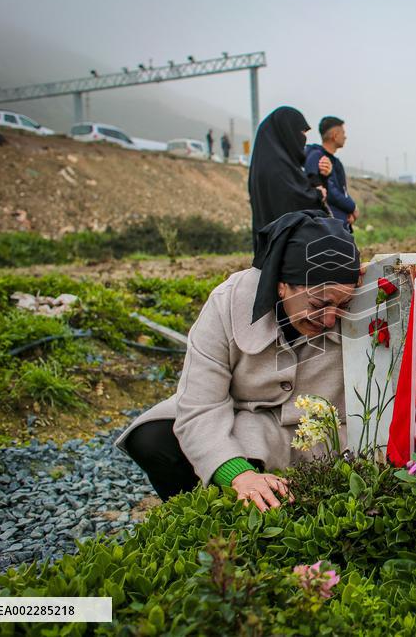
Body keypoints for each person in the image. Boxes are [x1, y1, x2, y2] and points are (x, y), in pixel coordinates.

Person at [117, 210, 361, 508]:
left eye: (342, 304)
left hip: (319, 439)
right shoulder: (229, 302)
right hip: (242, 423)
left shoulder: (355, 297)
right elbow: (199, 405)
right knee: (153, 439)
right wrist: (238, 474)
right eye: (318, 304)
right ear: (282, 283)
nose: (329, 319)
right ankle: (210, 518)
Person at [247, 106, 331, 251]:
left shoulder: (271, 164)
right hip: (286, 254)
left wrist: (322, 178)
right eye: (301, 132)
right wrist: (318, 194)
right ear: (287, 133)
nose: (303, 138)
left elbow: (296, 192)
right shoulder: (277, 167)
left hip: (272, 251)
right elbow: (294, 203)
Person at [305, 116, 357, 231]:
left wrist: (349, 211)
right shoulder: (316, 156)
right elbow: (331, 192)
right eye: (343, 132)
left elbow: (342, 191)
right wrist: (352, 207)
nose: (345, 137)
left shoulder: (336, 162)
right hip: (330, 225)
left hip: (340, 224)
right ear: (334, 135)